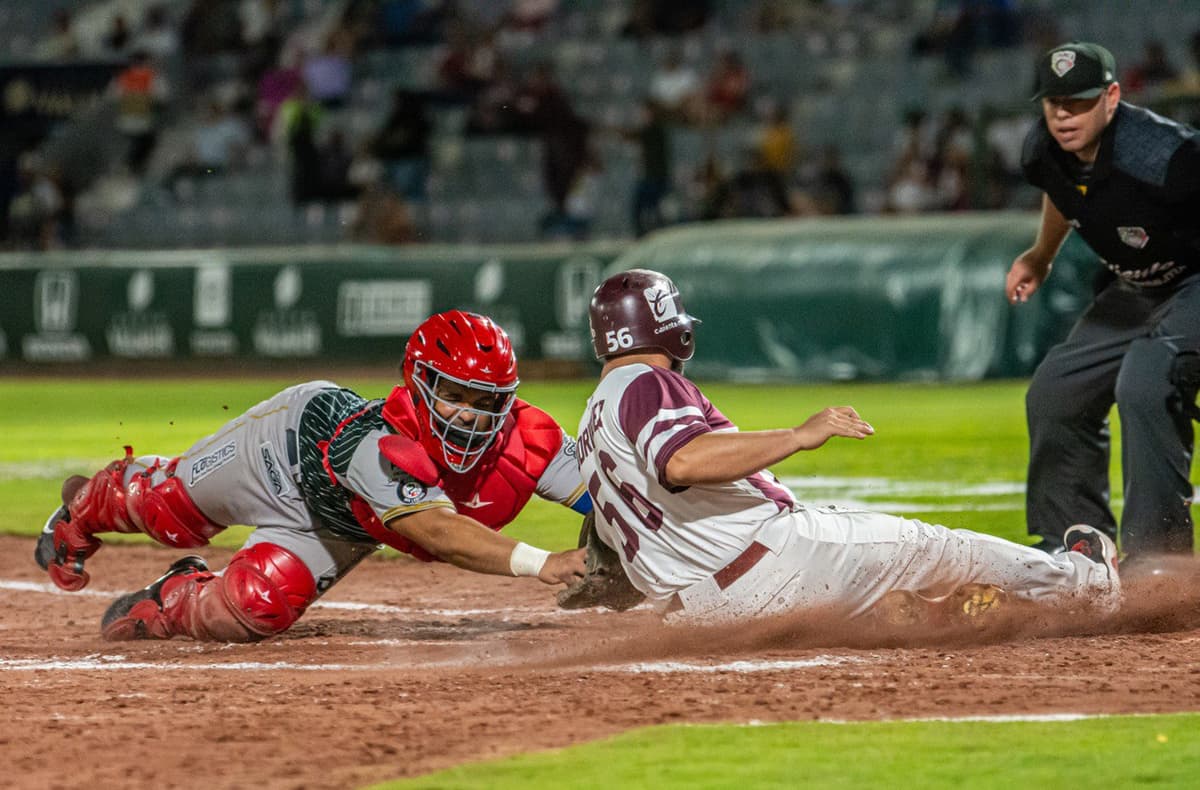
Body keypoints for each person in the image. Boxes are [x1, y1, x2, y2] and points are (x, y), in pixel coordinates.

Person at [575, 268, 1120, 624]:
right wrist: (797, 436)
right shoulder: (648, 383)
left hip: (694, 612)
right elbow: (682, 461)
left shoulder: (594, 414)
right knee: (934, 547)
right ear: (669, 327)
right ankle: (1085, 583)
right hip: (769, 564)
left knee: (892, 597)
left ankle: (936, 613)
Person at [36, 311, 589, 642]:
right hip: (280, 453)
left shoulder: (528, 440)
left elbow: (607, 490)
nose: (469, 413)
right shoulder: (379, 444)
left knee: (254, 609)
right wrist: (545, 563)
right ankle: (82, 506)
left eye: (485, 400)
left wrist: (637, 546)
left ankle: (170, 598)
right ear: (418, 384)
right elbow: (437, 531)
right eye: (454, 395)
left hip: (343, 523)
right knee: (167, 511)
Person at [1004, 42, 1200, 566]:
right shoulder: (1043, 150)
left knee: (1146, 378)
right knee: (1056, 391)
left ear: (1112, 97)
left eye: (1080, 101)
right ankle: (1073, 550)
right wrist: (1041, 255)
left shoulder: (1168, 156)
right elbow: (1062, 193)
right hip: (1135, 289)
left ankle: (1161, 558)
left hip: (1195, 283)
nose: (1064, 115)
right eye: (1054, 102)